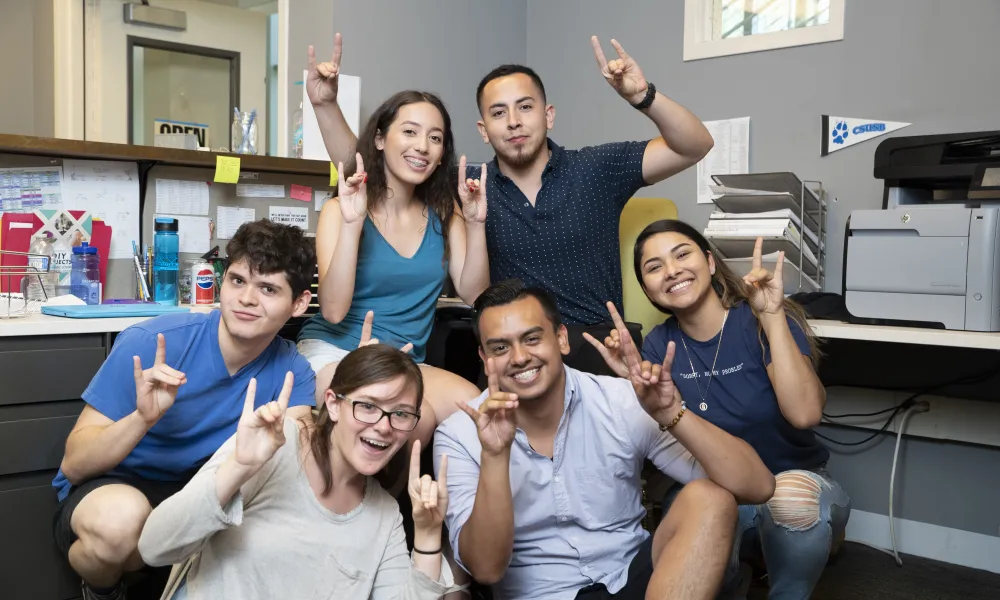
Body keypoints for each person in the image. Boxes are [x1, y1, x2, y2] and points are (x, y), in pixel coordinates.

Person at [307, 33, 715, 377]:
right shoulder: (468, 187)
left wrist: (643, 96)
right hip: (514, 349)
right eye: (499, 113)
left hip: (596, 344)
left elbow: (695, 145)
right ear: (484, 130)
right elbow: (366, 171)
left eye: (525, 107)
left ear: (548, 115)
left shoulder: (597, 167)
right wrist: (325, 105)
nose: (514, 122)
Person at [433, 279, 775, 600]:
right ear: (484, 358)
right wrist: (495, 454)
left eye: (533, 338)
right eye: (500, 347)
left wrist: (672, 412)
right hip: (542, 593)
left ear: (562, 339)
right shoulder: (459, 434)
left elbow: (757, 487)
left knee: (711, 499)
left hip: (631, 578)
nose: (520, 357)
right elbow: (486, 569)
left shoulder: (621, 399)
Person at [51, 220, 319, 600]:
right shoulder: (151, 343)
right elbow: (73, 465)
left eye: (268, 289)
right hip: (116, 485)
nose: (246, 298)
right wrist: (142, 419)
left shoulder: (294, 373)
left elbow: (296, 477)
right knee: (119, 526)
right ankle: (102, 589)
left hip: (206, 495)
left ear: (299, 303)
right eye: (239, 281)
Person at [591, 219, 850, 599]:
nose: (672, 270)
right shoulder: (658, 347)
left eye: (682, 255)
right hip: (724, 491)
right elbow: (665, 439)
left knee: (791, 499)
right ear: (647, 288)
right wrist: (637, 390)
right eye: (654, 266)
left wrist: (772, 315)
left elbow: (806, 414)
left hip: (797, 486)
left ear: (710, 263)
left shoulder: (757, 319)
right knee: (692, 506)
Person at [138, 344, 460, 599]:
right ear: (333, 404)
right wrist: (239, 467)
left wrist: (429, 535)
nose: (383, 426)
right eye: (368, 406)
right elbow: (154, 548)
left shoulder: (385, 516)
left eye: (401, 414)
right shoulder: (274, 445)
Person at [300, 61, 489, 449]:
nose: (422, 146)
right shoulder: (341, 209)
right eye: (410, 132)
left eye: (435, 138)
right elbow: (333, 311)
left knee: (479, 412)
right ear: (381, 140)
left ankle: (433, 510)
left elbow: (474, 294)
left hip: (403, 362)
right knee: (404, 422)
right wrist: (354, 224)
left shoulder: (445, 215)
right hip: (334, 351)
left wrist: (475, 222)